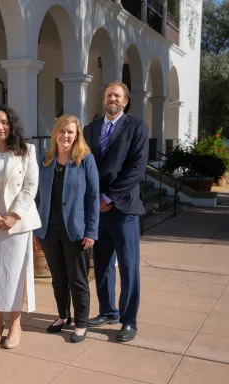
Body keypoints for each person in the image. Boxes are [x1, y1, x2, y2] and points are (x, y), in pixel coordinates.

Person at [83, 81, 149, 342]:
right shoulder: (90, 128)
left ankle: (129, 320)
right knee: (101, 264)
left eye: (117, 95)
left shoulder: (137, 127)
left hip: (124, 208)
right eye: (109, 94)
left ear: (125, 101)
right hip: (98, 209)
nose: (112, 98)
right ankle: (108, 310)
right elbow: (84, 163)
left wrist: (109, 196)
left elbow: (137, 168)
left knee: (129, 266)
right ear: (103, 99)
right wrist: (93, 199)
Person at [0, 105, 41, 349]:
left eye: (4, 122)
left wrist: (14, 215)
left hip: (17, 226)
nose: (0, 127)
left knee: (15, 275)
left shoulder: (26, 151)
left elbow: (30, 186)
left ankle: (15, 324)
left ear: (11, 125)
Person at [35, 115, 100, 343]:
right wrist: (36, 227)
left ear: (77, 135)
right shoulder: (46, 160)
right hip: (49, 230)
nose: (65, 136)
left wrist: (92, 231)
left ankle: (81, 322)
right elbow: (37, 196)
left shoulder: (85, 160)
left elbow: (93, 198)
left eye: (70, 132)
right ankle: (63, 316)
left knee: (78, 279)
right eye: (61, 131)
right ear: (55, 134)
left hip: (76, 231)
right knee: (58, 278)